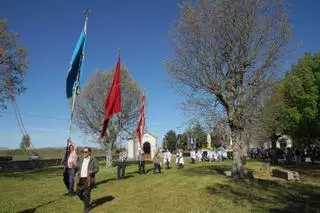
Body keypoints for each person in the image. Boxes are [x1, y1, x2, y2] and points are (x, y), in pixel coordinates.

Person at [76, 147, 99, 213]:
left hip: (88, 179)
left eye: (85, 152)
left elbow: (97, 168)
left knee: (87, 194)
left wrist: (93, 171)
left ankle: (86, 209)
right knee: (78, 192)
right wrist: (74, 166)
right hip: (80, 178)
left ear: (89, 152)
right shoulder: (80, 158)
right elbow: (77, 166)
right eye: (83, 152)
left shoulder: (93, 159)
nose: (84, 153)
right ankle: (87, 202)